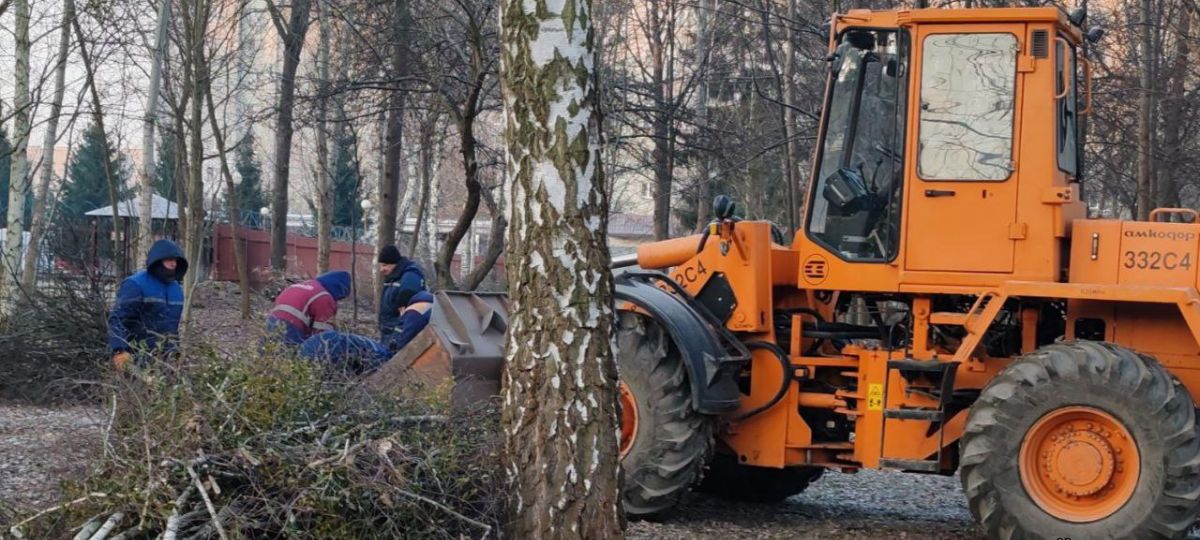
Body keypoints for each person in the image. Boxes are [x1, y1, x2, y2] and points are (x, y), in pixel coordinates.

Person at [108, 239, 188, 370]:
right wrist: (119, 349)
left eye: (175, 260)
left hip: (164, 359)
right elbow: (117, 319)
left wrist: (175, 353)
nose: (173, 263)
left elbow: (172, 327)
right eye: (169, 259)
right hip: (136, 355)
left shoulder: (176, 290)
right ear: (158, 260)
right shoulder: (136, 284)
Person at [265, 270, 352, 346]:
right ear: (339, 290)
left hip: (271, 321)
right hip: (292, 327)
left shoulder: (302, 285)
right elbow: (323, 335)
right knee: (295, 355)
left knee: (271, 352)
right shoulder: (325, 297)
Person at [377, 245, 433, 352]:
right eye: (381, 265)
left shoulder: (410, 275)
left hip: (397, 334)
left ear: (394, 263)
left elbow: (409, 300)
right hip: (388, 332)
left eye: (385, 265)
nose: (381, 269)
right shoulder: (392, 277)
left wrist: (397, 338)